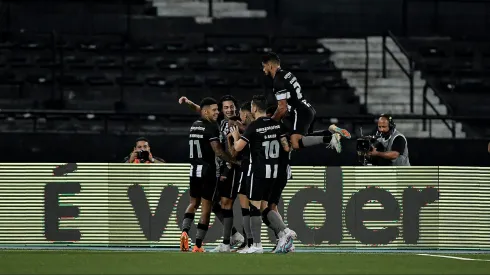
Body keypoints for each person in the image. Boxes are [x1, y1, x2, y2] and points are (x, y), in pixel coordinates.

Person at [179, 95, 245, 251]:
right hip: (213, 169)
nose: (229, 109)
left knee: (219, 204)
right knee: (212, 206)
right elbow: (218, 150)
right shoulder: (215, 123)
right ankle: (202, 245)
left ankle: (230, 240)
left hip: (221, 169)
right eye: (225, 107)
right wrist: (189, 103)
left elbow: (201, 110)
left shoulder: (239, 123)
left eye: (232, 107)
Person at [230, 95, 295, 254]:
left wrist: (235, 137)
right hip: (273, 173)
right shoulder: (276, 125)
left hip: (258, 171)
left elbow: (238, 147)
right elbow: (287, 148)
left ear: (254, 108)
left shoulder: (254, 126)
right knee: (265, 207)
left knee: (255, 207)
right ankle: (284, 232)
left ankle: (257, 245)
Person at [261, 52, 351, 151]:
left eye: (264, 66)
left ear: (269, 65)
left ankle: (330, 138)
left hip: (299, 112)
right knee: (307, 138)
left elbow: (282, 108)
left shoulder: (278, 81)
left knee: (295, 143)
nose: (263, 69)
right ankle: (330, 131)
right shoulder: (287, 74)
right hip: (307, 108)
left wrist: (271, 122)